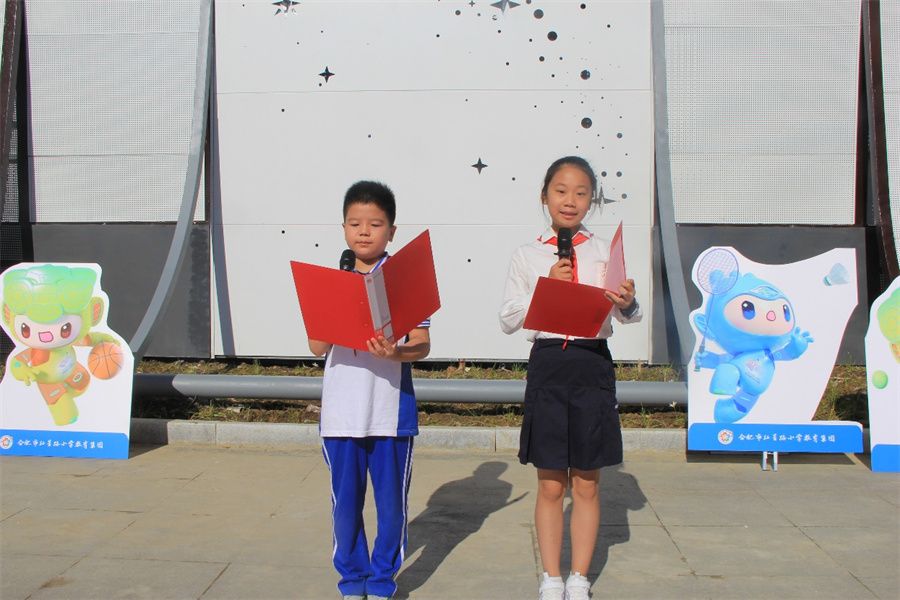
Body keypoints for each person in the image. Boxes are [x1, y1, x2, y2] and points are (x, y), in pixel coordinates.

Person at [499, 156, 641, 600]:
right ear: (545, 196)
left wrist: (627, 301)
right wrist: (546, 285)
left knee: (586, 481)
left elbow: (627, 315)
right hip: (548, 365)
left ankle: (579, 577)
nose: (570, 200)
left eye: (581, 193)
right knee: (549, 482)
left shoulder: (603, 251)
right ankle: (551, 577)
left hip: (590, 363)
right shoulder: (528, 255)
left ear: (591, 201)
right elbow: (508, 319)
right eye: (561, 191)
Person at [308, 181, 431, 600]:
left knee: (391, 504)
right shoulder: (330, 280)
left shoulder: (403, 279)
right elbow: (317, 347)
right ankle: (352, 579)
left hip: (390, 413)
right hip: (342, 412)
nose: (364, 231)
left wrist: (397, 352)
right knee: (345, 504)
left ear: (391, 231)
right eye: (355, 223)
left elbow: (422, 344)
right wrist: (336, 306)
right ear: (343, 228)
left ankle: (381, 581)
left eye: (375, 224)